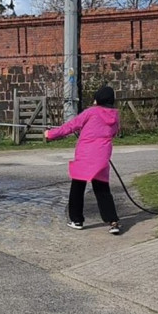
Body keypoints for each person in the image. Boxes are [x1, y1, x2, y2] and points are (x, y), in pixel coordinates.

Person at [45, 85, 122, 235]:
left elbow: (71, 126)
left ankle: (77, 220)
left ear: (98, 99)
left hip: (85, 156)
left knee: (77, 188)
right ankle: (113, 221)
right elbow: (113, 133)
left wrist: (50, 134)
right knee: (102, 190)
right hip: (102, 157)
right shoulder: (115, 116)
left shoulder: (91, 112)